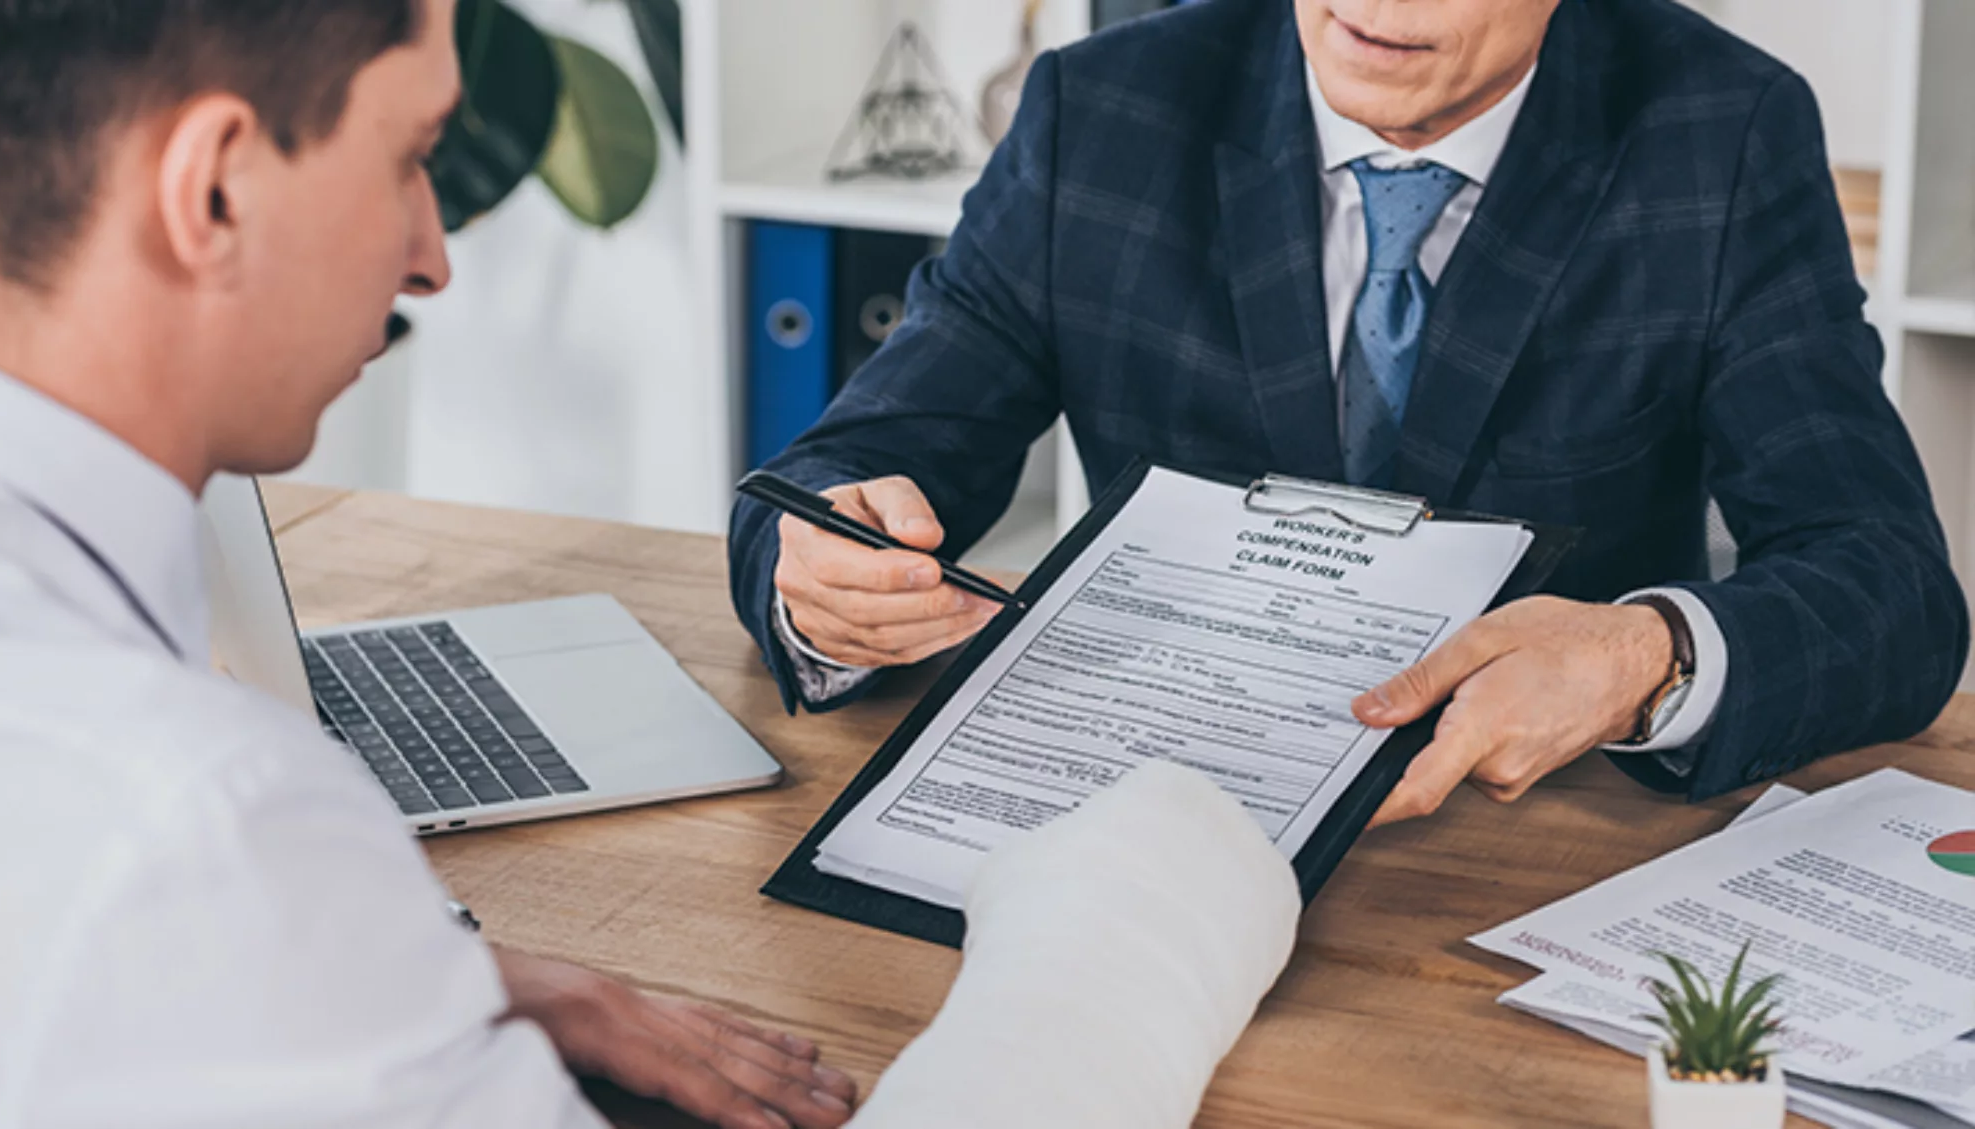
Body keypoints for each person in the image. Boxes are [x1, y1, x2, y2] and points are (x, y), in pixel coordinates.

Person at [729, 0, 1968, 815]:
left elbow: (1890, 587)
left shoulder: (1723, 127)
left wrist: (1642, 653)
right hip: (1145, 805)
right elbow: (852, 461)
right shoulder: (1098, 108)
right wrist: (825, 583)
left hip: (1524, 836)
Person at [0, 3, 856, 1127]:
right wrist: (1102, 906)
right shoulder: (205, 821)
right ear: (214, 193)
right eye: (409, 158)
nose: (431, 261)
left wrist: (423, 983)